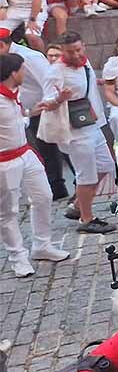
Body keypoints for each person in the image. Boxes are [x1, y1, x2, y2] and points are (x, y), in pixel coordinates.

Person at [0, 53, 69, 277]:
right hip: (4, 161)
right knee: (8, 211)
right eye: (22, 69)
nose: (25, 73)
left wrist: (32, 112)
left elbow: (17, 120)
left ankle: (42, 244)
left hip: (25, 153)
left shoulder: (14, 94)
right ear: (13, 73)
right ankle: (17, 257)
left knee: (43, 196)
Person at [44, 32, 116, 234]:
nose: (75, 54)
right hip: (75, 129)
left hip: (93, 122)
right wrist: (59, 99)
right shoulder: (55, 72)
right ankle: (86, 218)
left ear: (83, 46)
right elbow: (47, 103)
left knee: (106, 165)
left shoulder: (85, 64)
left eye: (78, 49)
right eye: (70, 52)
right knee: (87, 176)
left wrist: (99, 82)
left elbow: (86, 85)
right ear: (62, 51)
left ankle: (77, 205)